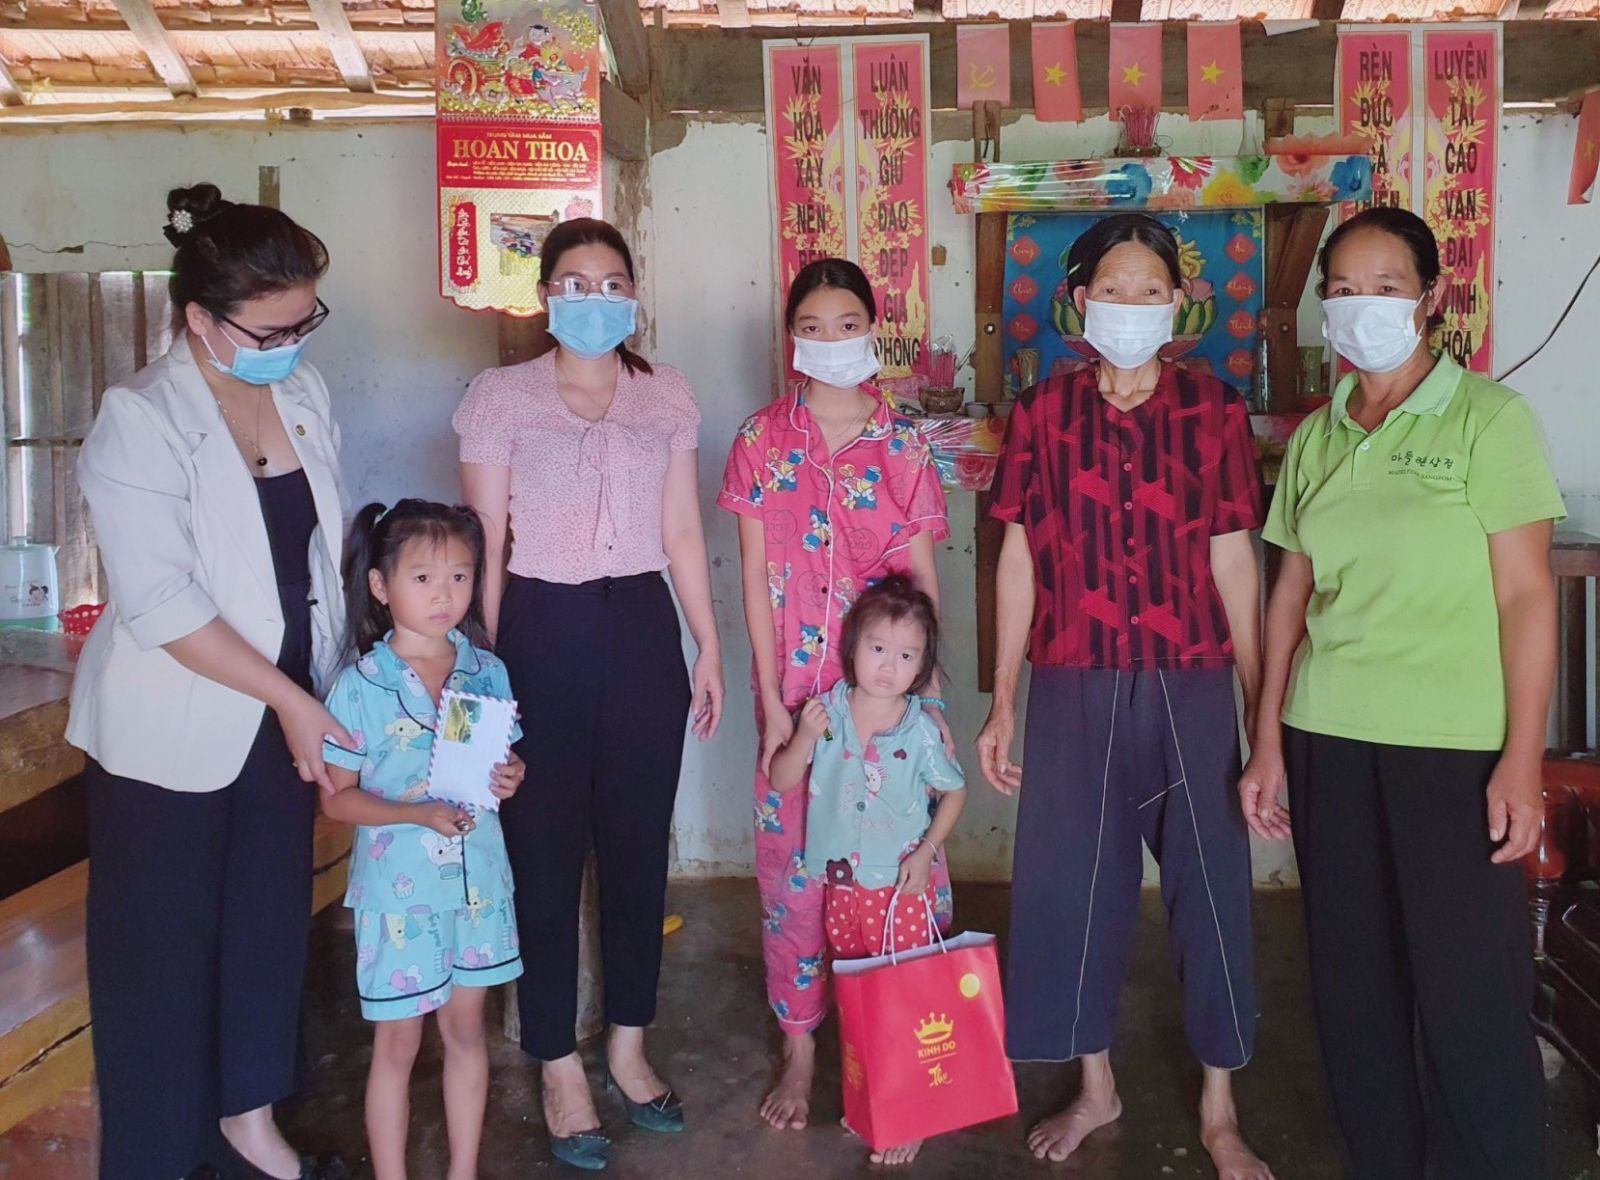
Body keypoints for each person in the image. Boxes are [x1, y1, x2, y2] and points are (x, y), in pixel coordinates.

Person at [1240, 206, 1563, 1179]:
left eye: (1384, 286)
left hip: (1454, 750)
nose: (1360, 305)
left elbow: (1527, 596)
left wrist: (1522, 758)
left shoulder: (1489, 421)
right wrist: (1266, 741)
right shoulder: (1318, 435)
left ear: (1430, 298)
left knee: (1470, 994)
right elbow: (1288, 597)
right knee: (1354, 989)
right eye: (1341, 289)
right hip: (1328, 738)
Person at [976, 212, 1271, 1179]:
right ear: (1080, 302)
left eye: (1150, 288)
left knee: (1211, 890)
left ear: (1177, 303)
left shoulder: (1215, 411)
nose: (1131, 303)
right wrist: (1004, 698)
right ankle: (1095, 1085)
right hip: (1074, 679)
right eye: (1113, 288)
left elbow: (1235, 559)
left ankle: (1220, 1107)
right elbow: (1017, 557)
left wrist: (1260, 711)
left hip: (1192, 681)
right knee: (1073, 887)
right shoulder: (1042, 414)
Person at [66, 183, 350, 1180]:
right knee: (160, 960)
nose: (292, 343)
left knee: (266, 926)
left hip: (286, 710)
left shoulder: (303, 396)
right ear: (199, 318)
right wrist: (292, 699)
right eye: (271, 330)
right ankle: (156, 1158)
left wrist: (330, 687)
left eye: (305, 321)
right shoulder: (139, 418)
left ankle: (250, 1127)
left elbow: (315, 563)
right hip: (171, 728)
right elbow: (163, 602)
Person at [453, 218, 723, 1171]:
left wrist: (707, 643)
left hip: (644, 626)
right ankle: (557, 1059)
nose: (594, 299)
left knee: (639, 845)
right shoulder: (500, 398)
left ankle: (629, 1045)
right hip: (539, 628)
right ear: (545, 297)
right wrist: (485, 668)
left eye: (612, 282)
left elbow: (681, 530)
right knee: (543, 848)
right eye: (574, 282)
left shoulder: (666, 394)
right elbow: (483, 539)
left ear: (633, 294)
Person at [717, 258, 953, 1131]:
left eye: (847, 324)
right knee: (795, 875)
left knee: (894, 865)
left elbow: (922, 579)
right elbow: (752, 578)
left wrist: (930, 703)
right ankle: (802, 1048)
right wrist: (774, 703)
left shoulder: (903, 444)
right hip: (798, 695)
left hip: (889, 698)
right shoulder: (760, 439)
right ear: (792, 338)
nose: (830, 340)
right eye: (812, 327)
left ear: (873, 330)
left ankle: (892, 1042)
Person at [319, 500, 528, 1180]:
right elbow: (338, 799)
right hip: (397, 901)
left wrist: (511, 775)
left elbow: (503, 766)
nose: (444, 595)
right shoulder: (361, 686)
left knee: (466, 1032)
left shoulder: (486, 672)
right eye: (423, 578)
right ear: (381, 586)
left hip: (476, 888)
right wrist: (417, 815)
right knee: (397, 1046)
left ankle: (462, 1171)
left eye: (460, 577)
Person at [768, 575, 966, 1166]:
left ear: (922, 665)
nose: (888, 665)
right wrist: (803, 736)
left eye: (906, 655)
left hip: (901, 891)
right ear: (852, 646)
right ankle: (874, 1098)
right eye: (878, 647)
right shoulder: (826, 713)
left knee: (905, 999)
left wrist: (926, 851)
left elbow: (954, 793)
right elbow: (781, 779)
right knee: (858, 997)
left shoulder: (920, 729)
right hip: (843, 890)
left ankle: (912, 1113)